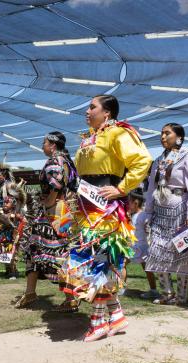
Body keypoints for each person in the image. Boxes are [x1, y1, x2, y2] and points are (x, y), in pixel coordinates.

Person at [61, 95, 152, 342]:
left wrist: (122, 188)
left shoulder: (118, 133)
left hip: (107, 209)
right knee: (93, 258)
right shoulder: (88, 138)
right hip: (86, 206)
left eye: (92, 107)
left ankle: (98, 321)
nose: (87, 111)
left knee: (101, 259)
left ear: (107, 113)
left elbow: (142, 160)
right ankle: (117, 315)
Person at [143, 123, 188, 305]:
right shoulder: (158, 160)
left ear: (179, 137)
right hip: (160, 210)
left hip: (181, 209)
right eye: (161, 133)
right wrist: (148, 212)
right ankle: (167, 293)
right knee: (156, 250)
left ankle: (182, 296)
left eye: (167, 133)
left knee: (182, 251)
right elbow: (151, 188)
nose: (163, 137)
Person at [12, 131, 77, 309]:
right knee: (45, 250)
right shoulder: (67, 160)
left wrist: (49, 201)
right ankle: (31, 293)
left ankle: (70, 299)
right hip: (63, 213)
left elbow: (57, 182)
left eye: (44, 143)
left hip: (51, 214)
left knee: (55, 253)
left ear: (53, 145)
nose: (42, 146)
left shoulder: (55, 161)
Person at [127, 190, 158, 299]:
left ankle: (153, 290)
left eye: (129, 202)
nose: (128, 204)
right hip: (133, 246)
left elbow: (148, 227)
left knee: (147, 269)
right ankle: (122, 287)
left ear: (136, 203)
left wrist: (147, 228)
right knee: (123, 265)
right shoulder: (133, 215)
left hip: (142, 246)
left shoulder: (143, 215)